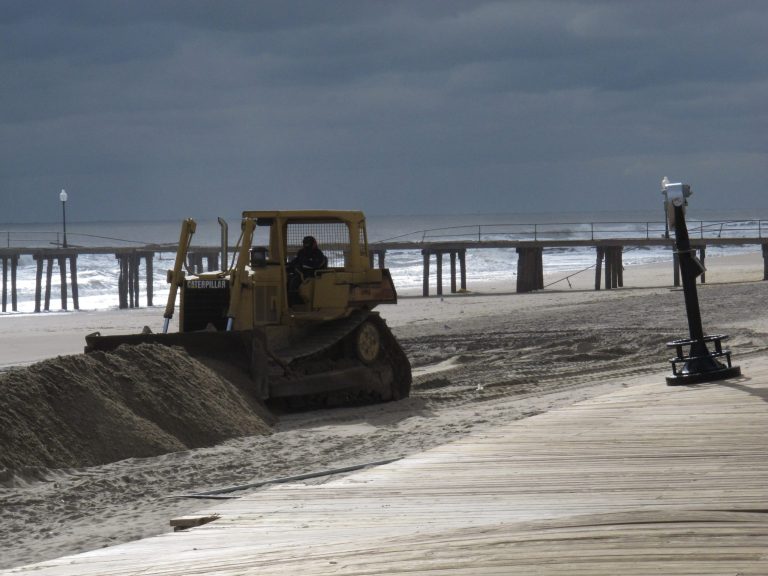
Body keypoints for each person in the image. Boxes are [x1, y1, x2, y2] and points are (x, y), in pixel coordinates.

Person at [287, 236, 327, 303]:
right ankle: (292, 302)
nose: (306, 245)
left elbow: (317, 264)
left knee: (294, 282)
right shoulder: (301, 252)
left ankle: (297, 303)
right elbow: (296, 261)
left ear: (313, 244)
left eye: (308, 243)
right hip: (301, 274)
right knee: (289, 279)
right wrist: (289, 266)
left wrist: (303, 264)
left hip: (312, 275)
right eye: (305, 243)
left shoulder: (318, 253)